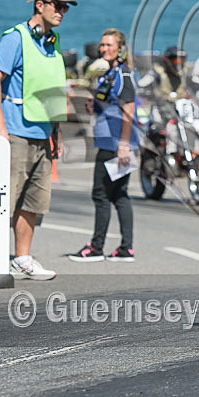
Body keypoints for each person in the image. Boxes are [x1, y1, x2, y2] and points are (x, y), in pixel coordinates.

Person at [0, 0, 77, 280]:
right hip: (15, 131)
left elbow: (51, 90)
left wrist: (57, 132)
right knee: (6, 199)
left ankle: (22, 259)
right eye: (58, 5)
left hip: (42, 134)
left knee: (33, 202)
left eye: (65, 7)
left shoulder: (51, 42)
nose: (62, 11)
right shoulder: (16, 38)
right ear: (40, 5)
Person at [70, 29, 139, 263]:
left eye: (109, 45)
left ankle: (96, 247)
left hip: (115, 141)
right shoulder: (109, 73)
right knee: (119, 195)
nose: (104, 49)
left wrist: (123, 145)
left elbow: (128, 110)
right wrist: (94, 107)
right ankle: (125, 249)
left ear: (120, 49)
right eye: (102, 45)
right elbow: (107, 104)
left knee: (100, 194)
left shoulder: (124, 74)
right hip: (110, 139)